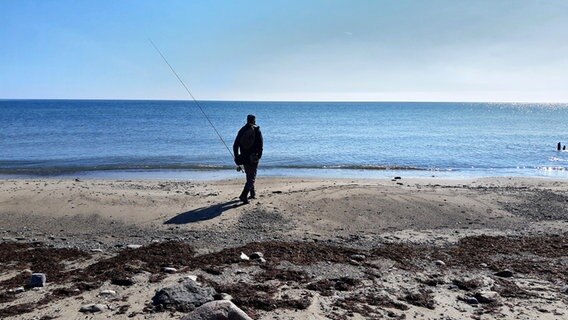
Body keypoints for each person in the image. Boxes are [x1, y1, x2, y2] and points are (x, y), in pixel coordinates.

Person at [233, 114, 263, 204]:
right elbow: (261, 145)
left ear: (247, 120)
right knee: (252, 177)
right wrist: (259, 156)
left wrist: (237, 157)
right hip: (253, 157)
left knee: (249, 175)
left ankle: (252, 193)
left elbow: (235, 145)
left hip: (244, 157)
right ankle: (244, 195)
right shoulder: (257, 130)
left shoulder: (242, 130)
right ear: (254, 120)